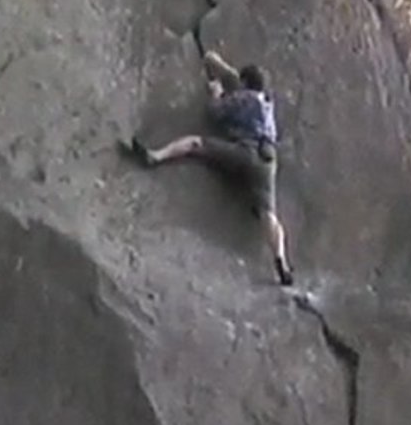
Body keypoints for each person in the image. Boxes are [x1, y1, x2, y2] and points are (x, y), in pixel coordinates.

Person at [125, 49, 294, 287]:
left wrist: (216, 94)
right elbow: (240, 81)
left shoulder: (242, 99)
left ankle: (156, 156)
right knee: (269, 215)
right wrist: (221, 66)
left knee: (196, 143)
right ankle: (281, 262)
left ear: (245, 84)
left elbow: (215, 113)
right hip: (267, 159)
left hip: (243, 151)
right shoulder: (267, 101)